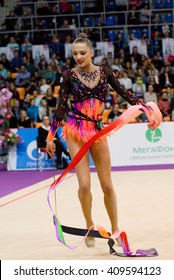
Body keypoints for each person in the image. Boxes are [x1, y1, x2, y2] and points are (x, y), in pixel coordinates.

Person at [46, 33, 154, 248]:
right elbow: (60, 107)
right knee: (84, 185)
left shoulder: (105, 73)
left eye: (82, 53)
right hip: (76, 130)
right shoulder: (68, 75)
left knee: (106, 185)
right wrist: (50, 136)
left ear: (92, 53)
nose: (78, 57)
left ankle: (115, 228)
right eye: (75, 53)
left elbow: (125, 93)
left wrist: (146, 110)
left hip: (97, 130)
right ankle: (89, 225)